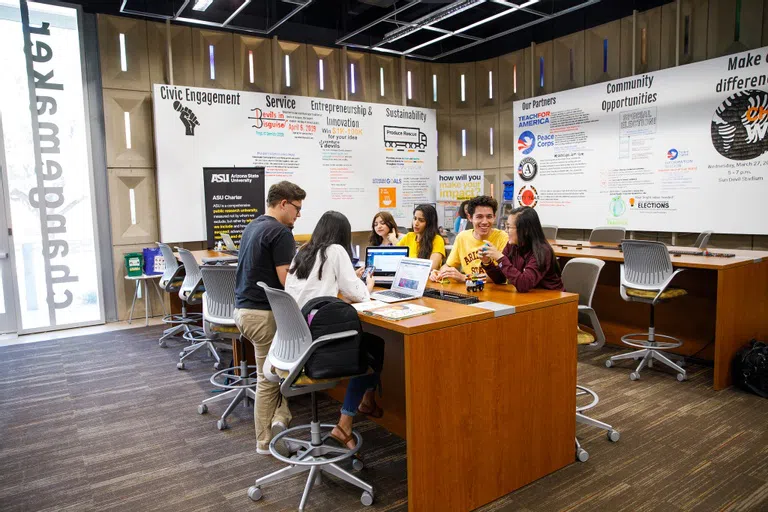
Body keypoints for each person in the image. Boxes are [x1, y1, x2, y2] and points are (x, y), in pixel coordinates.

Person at [285, 211, 384, 452]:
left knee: (368, 342)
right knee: (374, 346)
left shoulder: (303, 252)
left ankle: (367, 402)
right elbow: (358, 294)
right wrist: (367, 285)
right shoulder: (336, 251)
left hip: (297, 341)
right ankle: (346, 422)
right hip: (319, 345)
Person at [233, 180, 306, 456]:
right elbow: (286, 281)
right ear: (284, 203)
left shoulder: (253, 226)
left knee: (274, 373)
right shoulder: (281, 233)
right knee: (268, 379)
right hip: (263, 315)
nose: (298, 215)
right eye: (297, 209)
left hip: (243, 311)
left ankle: (280, 420)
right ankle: (264, 442)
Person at [481, 206, 564, 292]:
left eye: (509, 227)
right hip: (530, 298)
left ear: (525, 230)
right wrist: (487, 262)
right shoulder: (512, 246)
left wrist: (500, 258)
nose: (506, 231)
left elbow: (524, 284)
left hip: (552, 299)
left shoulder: (542, 251)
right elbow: (500, 279)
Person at [434, 195, 508, 282]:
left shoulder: (503, 237)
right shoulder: (462, 237)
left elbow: (502, 276)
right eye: (479, 217)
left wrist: (465, 278)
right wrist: (439, 273)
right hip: (470, 291)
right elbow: (447, 266)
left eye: (489, 217)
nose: (484, 222)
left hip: (497, 292)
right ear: (470, 217)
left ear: (494, 217)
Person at [397, 204, 445, 271]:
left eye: (421, 220)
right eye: (415, 218)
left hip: (425, 279)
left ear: (429, 223)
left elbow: (432, 267)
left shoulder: (437, 239)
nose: (416, 223)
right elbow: (395, 257)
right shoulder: (409, 236)